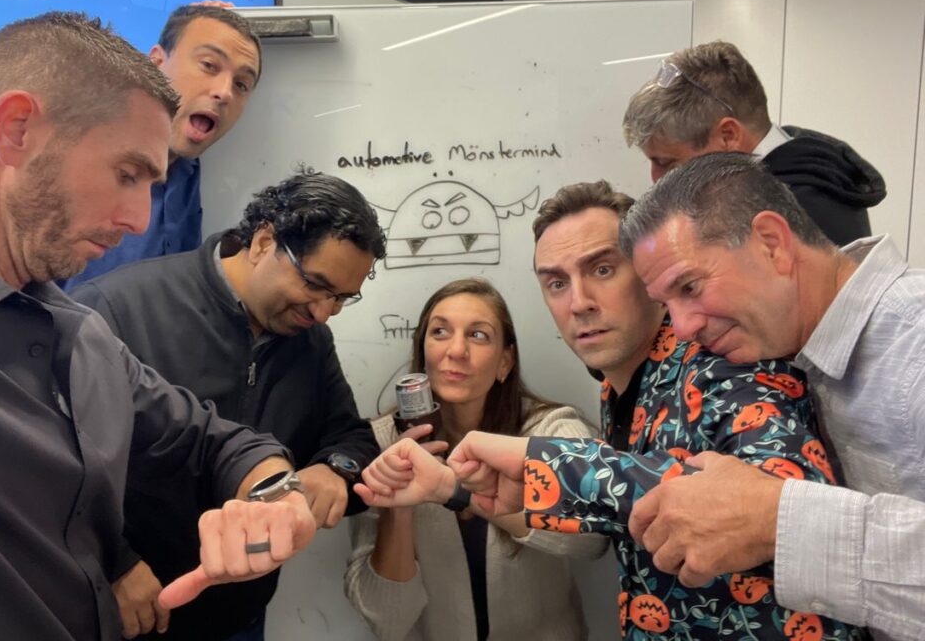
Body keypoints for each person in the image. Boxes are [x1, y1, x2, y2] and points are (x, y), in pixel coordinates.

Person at [0, 12, 316, 641]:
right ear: (17, 129)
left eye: (151, 184)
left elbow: (215, 442)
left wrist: (277, 498)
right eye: (126, 175)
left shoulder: (83, 335)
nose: (138, 220)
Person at [364, 182, 865, 639]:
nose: (579, 302)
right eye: (556, 283)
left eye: (602, 270)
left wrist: (546, 469)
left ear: (648, 277)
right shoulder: (620, 390)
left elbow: (793, 506)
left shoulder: (718, 361)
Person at [616, 152, 925, 641]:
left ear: (772, 243)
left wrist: (779, 522)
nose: (682, 328)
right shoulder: (793, 351)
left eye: (690, 286)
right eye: (666, 306)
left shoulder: (915, 341)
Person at [71, 170, 384, 640]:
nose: (323, 312)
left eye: (341, 298)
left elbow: (351, 437)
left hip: (241, 618)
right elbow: (52, 466)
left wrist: (333, 469)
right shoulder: (114, 309)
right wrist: (111, 563)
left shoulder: (310, 341)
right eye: (316, 285)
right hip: (132, 615)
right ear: (262, 242)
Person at [345, 277, 607, 641]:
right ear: (423, 353)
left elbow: (592, 538)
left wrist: (457, 491)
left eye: (478, 335)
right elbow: (386, 619)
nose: (456, 351)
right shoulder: (381, 443)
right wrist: (398, 506)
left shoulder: (550, 429)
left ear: (505, 362)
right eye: (440, 332)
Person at [62, 3, 261, 290]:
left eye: (241, 84)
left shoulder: (188, 166)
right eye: (208, 65)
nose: (225, 92)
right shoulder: (78, 157)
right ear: (155, 64)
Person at [622, 40, 885, 245]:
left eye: (666, 162)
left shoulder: (800, 210)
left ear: (728, 136)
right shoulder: (799, 173)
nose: (656, 177)